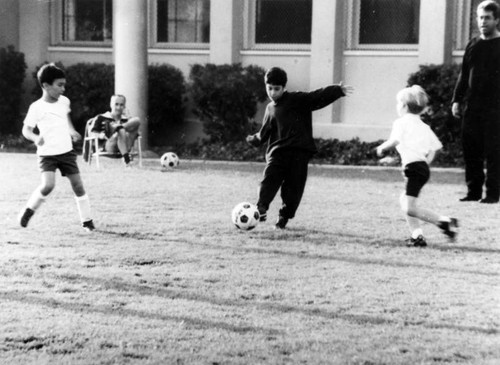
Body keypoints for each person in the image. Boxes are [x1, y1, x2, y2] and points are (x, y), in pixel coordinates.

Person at [246, 67, 353, 229]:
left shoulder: (297, 99)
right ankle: (261, 207)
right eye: (270, 89)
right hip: (278, 153)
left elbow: (317, 97)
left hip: (299, 154)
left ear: (284, 88)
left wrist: (337, 90)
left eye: (277, 89)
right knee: (270, 178)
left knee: (293, 189)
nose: (273, 93)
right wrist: (252, 139)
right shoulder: (270, 109)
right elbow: (264, 133)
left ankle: (283, 217)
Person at [376, 85, 458, 247]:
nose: (397, 106)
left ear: (404, 106)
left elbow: (395, 141)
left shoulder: (401, 122)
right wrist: (425, 162)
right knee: (405, 201)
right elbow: (436, 148)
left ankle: (445, 222)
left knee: (410, 208)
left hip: (413, 168)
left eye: (398, 103)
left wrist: (381, 148)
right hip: (421, 168)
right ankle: (417, 236)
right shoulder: (424, 126)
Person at [18, 63, 95, 231]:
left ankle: (87, 221)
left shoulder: (64, 102)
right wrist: (35, 138)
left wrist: (72, 130)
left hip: (66, 152)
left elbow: (65, 119)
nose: (63, 89)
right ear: (45, 85)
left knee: (78, 186)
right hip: (47, 155)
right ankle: (29, 210)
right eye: (59, 85)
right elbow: (26, 130)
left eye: (64, 85)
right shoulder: (36, 107)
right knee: (48, 185)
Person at [451, 0, 500, 203]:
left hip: (496, 108)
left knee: (494, 152)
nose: (483, 22)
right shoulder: (472, 44)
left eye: (487, 18)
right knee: (471, 149)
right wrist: (456, 100)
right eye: (480, 17)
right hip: (472, 106)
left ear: (496, 20)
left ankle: (492, 194)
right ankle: (473, 192)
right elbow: (463, 75)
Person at [89, 94, 141, 166]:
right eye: (116, 104)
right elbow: (91, 133)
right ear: (111, 104)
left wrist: (128, 119)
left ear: (124, 106)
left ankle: (116, 127)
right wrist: (101, 135)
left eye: (121, 105)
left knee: (136, 120)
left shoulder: (126, 119)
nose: (118, 107)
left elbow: (134, 134)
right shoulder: (101, 117)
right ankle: (127, 160)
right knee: (121, 131)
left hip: (126, 144)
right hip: (109, 145)